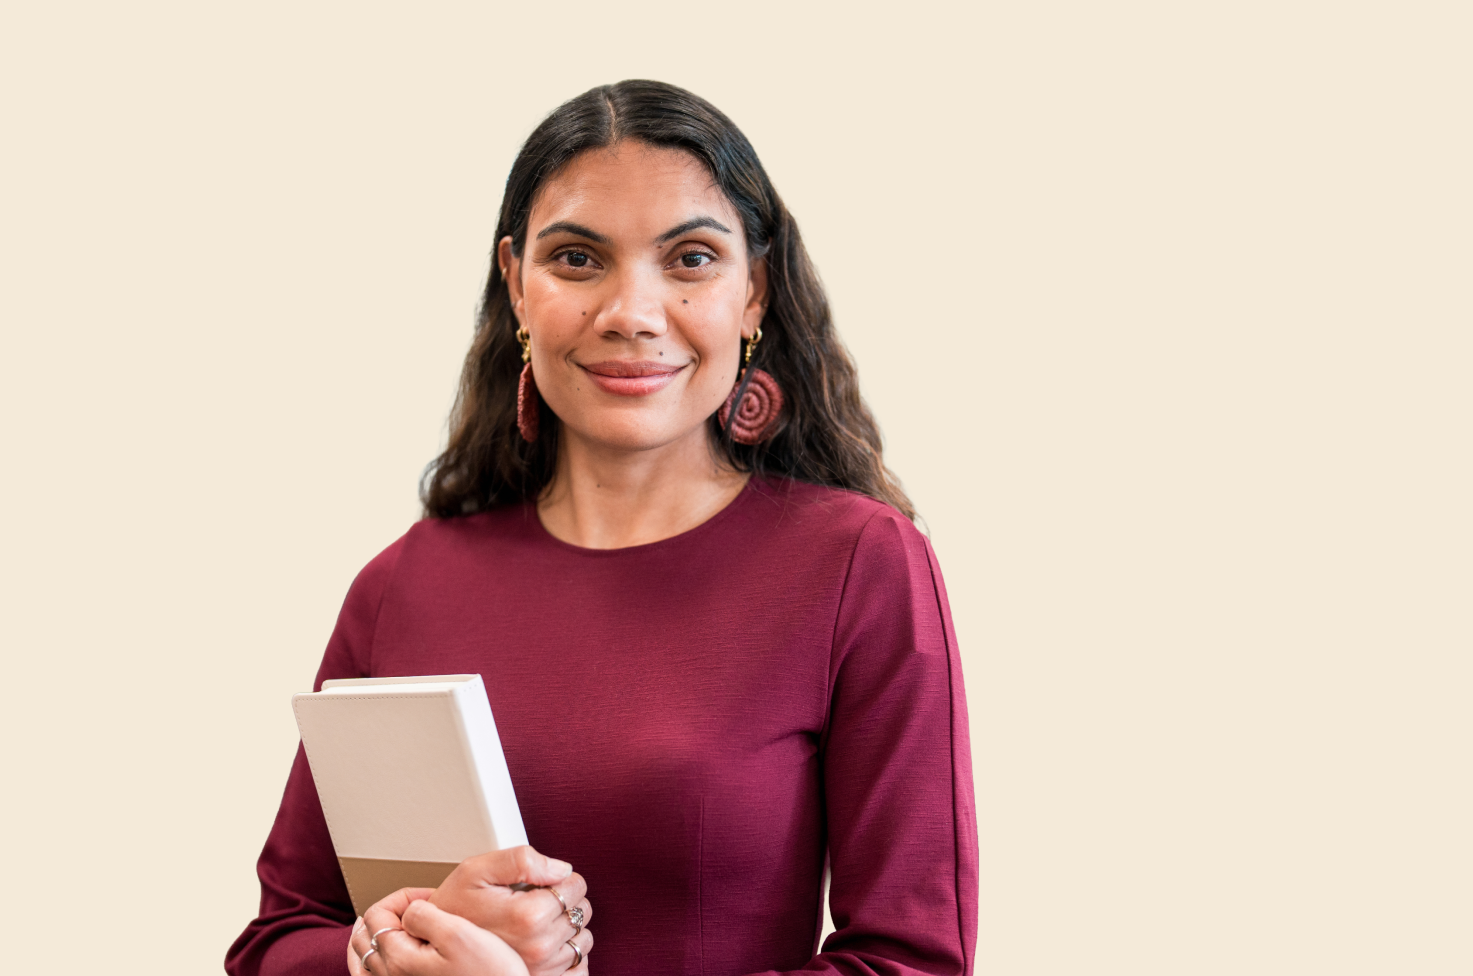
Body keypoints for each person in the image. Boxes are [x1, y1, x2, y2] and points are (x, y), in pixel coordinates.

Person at [225, 79, 978, 976]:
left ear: (756, 294)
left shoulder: (858, 566)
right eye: (578, 259)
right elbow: (275, 942)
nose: (630, 313)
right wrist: (387, 955)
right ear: (515, 284)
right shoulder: (400, 586)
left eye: (692, 259)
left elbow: (911, 960)